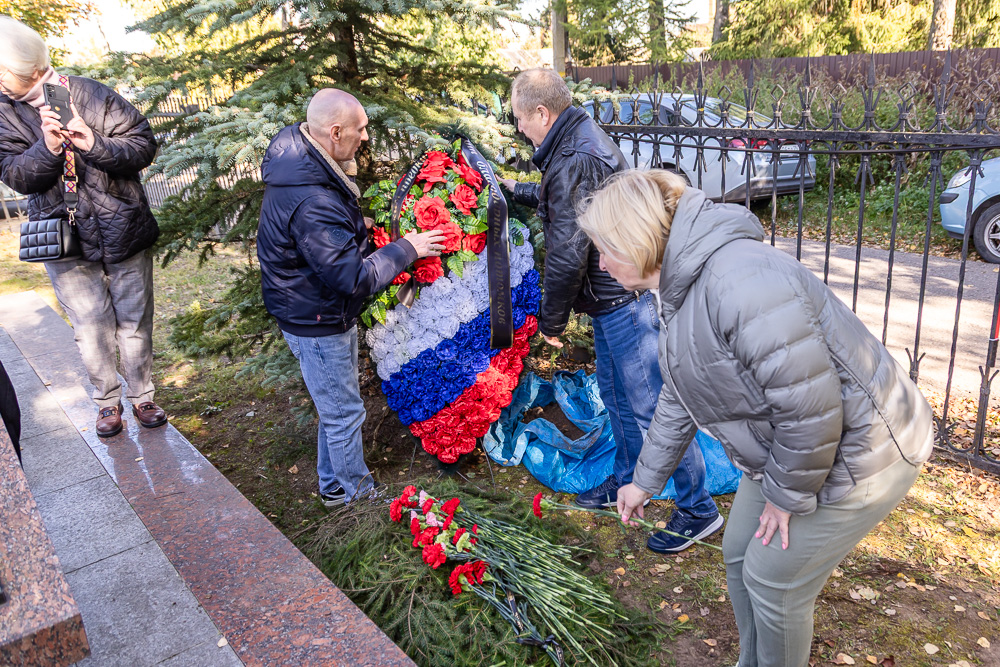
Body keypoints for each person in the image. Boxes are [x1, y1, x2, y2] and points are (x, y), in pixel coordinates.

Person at [577, 169, 933, 667]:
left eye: (605, 249)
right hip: (786, 447)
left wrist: (785, 500)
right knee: (739, 551)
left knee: (773, 579)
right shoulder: (679, 285)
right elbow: (680, 394)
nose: (601, 263)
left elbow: (812, 410)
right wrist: (644, 482)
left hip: (862, 449)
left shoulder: (738, 283)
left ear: (636, 241)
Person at [500, 68, 722, 552]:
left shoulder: (574, 154)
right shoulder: (572, 142)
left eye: (521, 118)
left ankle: (697, 508)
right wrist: (513, 189)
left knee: (648, 405)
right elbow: (560, 201)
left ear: (543, 112)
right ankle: (625, 478)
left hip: (622, 300)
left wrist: (553, 320)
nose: (519, 128)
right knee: (616, 395)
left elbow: (566, 248)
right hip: (608, 300)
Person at [257, 89, 445, 506]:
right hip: (318, 319)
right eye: (359, 130)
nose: (365, 137)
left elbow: (320, 242)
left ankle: (333, 486)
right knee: (345, 414)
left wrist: (352, 229)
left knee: (336, 409)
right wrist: (408, 248)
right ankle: (358, 500)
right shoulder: (311, 198)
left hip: (311, 307)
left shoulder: (303, 165)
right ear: (335, 131)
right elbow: (353, 278)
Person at [0, 17, 166, 438]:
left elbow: (142, 145)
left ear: (27, 70)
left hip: (123, 228)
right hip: (64, 239)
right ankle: (106, 403)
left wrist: (94, 144)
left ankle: (143, 396)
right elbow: (16, 176)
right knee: (89, 328)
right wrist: (49, 148)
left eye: (2, 73)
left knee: (134, 321)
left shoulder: (92, 93)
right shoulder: (4, 113)